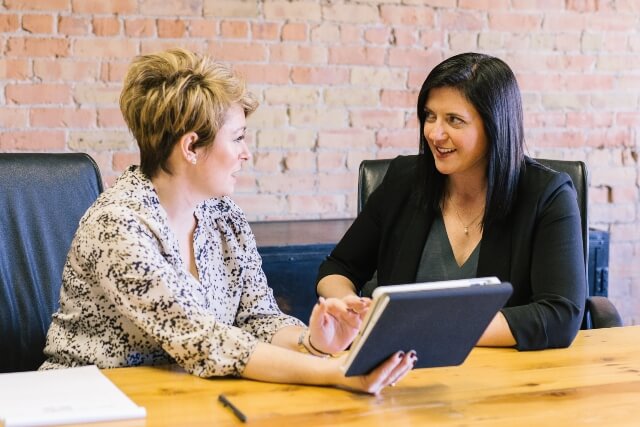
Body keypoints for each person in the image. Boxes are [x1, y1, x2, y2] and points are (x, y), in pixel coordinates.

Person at [40, 48, 416, 394]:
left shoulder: (223, 216)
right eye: (237, 138)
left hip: (183, 397)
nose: (246, 154)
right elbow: (204, 340)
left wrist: (314, 343)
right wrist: (337, 372)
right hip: (85, 402)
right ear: (190, 147)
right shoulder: (118, 225)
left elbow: (258, 317)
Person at [316, 52, 586, 351]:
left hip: (505, 376)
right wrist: (348, 307)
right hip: (401, 371)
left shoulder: (548, 195)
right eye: (430, 116)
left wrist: (427, 328)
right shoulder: (404, 180)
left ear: (495, 125)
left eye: (454, 120)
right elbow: (338, 267)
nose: (434, 133)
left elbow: (560, 314)